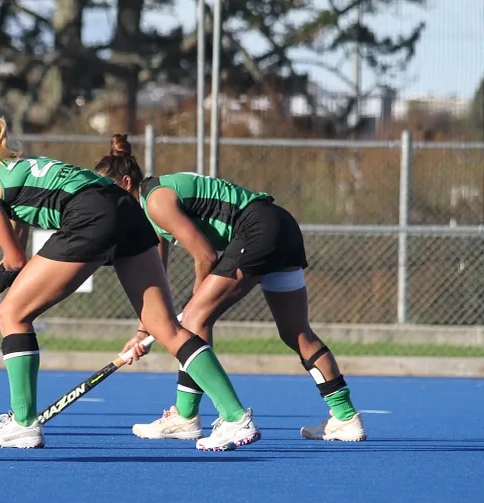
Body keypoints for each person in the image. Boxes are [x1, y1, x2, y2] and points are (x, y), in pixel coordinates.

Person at [0, 113, 260, 451]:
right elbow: (13, 260)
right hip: (126, 210)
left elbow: (14, 262)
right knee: (163, 326)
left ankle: (22, 424)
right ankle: (235, 416)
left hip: (90, 215)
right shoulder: (15, 168)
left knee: (11, 315)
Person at [94, 134, 366, 442]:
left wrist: (194, 305)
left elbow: (206, 256)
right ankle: (346, 417)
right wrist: (144, 331)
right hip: (282, 227)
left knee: (195, 319)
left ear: (126, 182)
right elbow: (155, 278)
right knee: (296, 332)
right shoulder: (149, 213)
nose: (102, 203)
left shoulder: (156, 201)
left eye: (105, 193)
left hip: (258, 229)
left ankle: (195, 416)